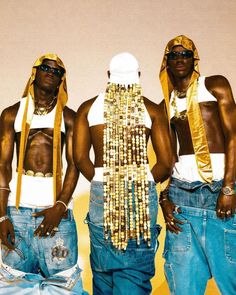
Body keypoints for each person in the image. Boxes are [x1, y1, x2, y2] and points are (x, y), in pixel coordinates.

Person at [73, 52, 173, 294]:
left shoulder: (88, 108)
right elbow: (166, 162)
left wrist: (103, 181)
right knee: (134, 270)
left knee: (103, 272)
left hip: (102, 190)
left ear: (108, 76)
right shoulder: (151, 109)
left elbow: (79, 158)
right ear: (138, 77)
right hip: (139, 190)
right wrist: (143, 182)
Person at [0, 54, 86, 293]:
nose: (51, 72)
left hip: (56, 212)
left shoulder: (69, 116)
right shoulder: (11, 113)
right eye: (46, 68)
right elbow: (3, 165)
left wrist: (59, 206)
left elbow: (75, 163)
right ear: (34, 72)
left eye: (57, 71)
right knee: (14, 286)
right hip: (17, 212)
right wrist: (1, 216)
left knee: (64, 285)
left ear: (62, 80)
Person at [159, 35, 236, 295]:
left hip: (219, 192)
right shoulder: (164, 103)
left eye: (186, 54)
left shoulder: (215, 85)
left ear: (195, 59)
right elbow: (169, 158)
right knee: (184, 286)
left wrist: (228, 188)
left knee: (231, 280)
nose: (180, 59)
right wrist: (165, 198)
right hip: (182, 196)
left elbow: (233, 136)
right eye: (174, 55)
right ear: (165, 62)